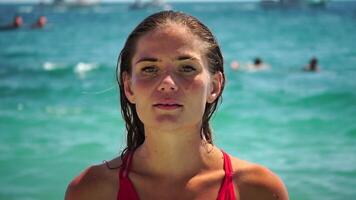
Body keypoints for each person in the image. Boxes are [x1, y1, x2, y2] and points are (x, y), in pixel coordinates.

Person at [65, 11, 288, 200]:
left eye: (187, 68)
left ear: (215, 86)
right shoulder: (92, 190)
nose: (167, 84)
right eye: (149, 69)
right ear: (129, 87)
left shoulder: (256, 189)